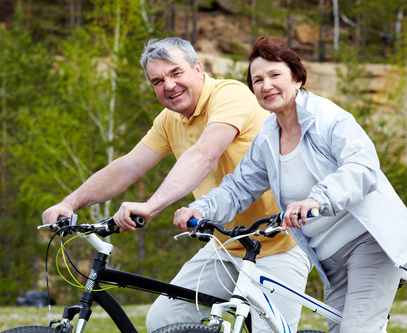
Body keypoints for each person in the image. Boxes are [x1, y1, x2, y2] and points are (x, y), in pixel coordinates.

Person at [42, 37, 312, 332]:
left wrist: (149, 206)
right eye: (158, 81)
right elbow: (128, 166)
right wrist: (70, 202)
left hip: (280, 244)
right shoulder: (169, 120)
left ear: (198, 68)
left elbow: (204, 155)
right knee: (164, 320)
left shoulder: (230, 95)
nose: (168, 85)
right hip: (226, 246)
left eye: (175, 73)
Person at [174, 36, 407, 333]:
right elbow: (239, 187)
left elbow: (362, 167)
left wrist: (317, 199)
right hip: (329, 259)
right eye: (257, 80)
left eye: (275, 75)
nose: (266, 86)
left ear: (297, 77)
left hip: (367, 242)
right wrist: (201, 208)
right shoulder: (267, 137)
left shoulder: (328, 118)